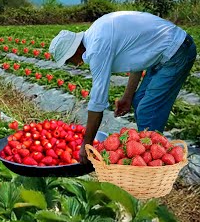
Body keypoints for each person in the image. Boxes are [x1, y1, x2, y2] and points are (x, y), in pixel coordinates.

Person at [49, 10, 196, 164]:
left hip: (177, 50)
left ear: (74, 51)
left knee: (148, 110)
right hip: (164, 52)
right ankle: (149, 157)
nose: (72, 64)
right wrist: (128, 96)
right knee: (138, 101)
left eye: (68, 60)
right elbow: (137, 59)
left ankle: (154, 168)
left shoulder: (97, 48)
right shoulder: (95, 32)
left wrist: (86, 145)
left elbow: (97, 102)